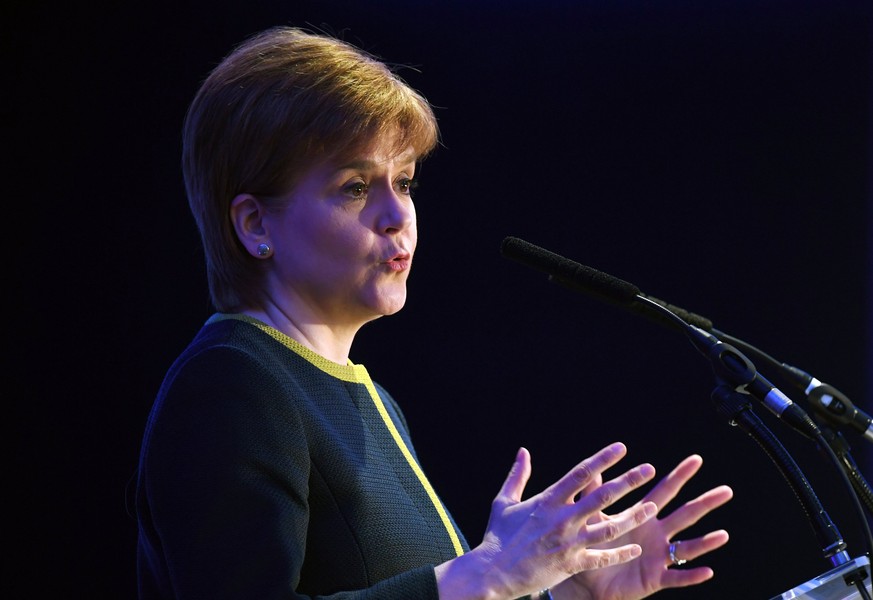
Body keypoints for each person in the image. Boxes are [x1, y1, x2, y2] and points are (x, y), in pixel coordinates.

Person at [134, 25, 734, 600]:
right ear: (254, 223)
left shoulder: (366, 398)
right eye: (354, 186)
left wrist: (557, 588)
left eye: (405, 181)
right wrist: (489, 574)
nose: (398, 215)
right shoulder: (233, 385)